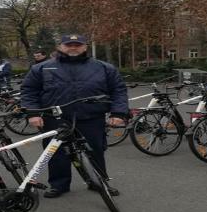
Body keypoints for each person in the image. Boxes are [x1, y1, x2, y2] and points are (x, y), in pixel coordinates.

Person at [21, 34, 129, 198]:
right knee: (56, 153)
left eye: (77, 45)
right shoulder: (42, 68)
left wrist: (118, 112)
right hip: (54, 118)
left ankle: (99, 182)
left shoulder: (103, 67)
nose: (73, 47)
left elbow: (118, 90)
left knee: (95, 151)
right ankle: (59, 185)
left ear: (85, 47)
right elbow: (29, 91)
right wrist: (33, 113)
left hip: (91, 117)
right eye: (68, 44)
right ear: (60, 47)